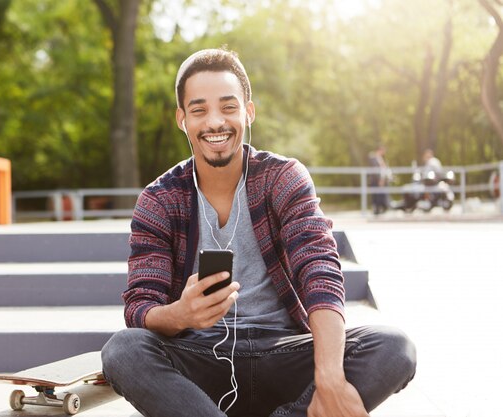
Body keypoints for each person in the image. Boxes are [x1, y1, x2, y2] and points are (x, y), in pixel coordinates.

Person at [102, 48, 416, 417]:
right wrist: (180, 315)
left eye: (228, 107)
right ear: (182, 119)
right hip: (202, 357)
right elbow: (140, 306)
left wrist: (329, 376)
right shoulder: (159, 200)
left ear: (248, 112)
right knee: (123, 350)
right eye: (199, 110)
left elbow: (320, 271)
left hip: (284, 352)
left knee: (395, 347)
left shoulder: (282, 178)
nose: (215, 122)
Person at [368, 145, 392, 215]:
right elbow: (375, 170)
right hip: (376, 180)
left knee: (381, 195)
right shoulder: (373, 158)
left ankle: (382, 208)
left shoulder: (381, 158)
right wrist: (379, 180)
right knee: (376, 195)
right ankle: (377, 210)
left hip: (382, 179)